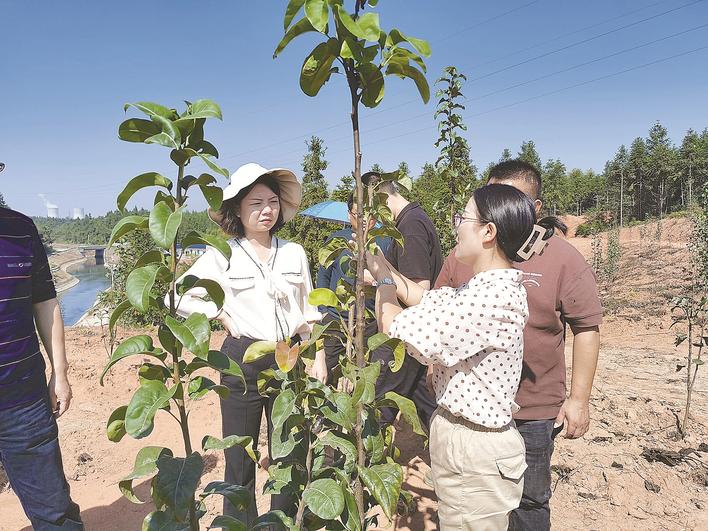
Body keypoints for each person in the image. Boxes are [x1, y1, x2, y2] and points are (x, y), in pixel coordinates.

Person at [366, 184, 549, 530]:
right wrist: (384, 267)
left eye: (462, 217)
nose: (456, 225)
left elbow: (394, 326)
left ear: (488, 232)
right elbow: (425, 298)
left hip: (475, 451)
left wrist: (382, 284)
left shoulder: (494, 299)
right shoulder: (481, 287)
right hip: (463, 439)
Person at [434, 160, 602, 531]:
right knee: (476, 503)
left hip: (534, 409)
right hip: (474, 413)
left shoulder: (563, 260)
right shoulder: (466, 254)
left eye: (513, 198)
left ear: (535, 209)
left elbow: (587, 328)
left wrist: (578, 399)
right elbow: (436, 310)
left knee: (529, 500)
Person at [171, 163, 323, 524]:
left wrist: (316, 356)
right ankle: (240, 524)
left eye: (272, 202)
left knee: (287, 451)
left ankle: (282, 522)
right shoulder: (221, 255)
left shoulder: (294, 253)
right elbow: (177, 295)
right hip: (241, 361)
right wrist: (220, 311)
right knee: (239, 454)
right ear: (237, 209)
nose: (266, 210)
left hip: (289, 356)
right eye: (256, 203)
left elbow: (309, 311)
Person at [0, 206, 83, 530]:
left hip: (25, 402)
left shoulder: (21, 229)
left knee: (55, 513)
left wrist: (59, 373)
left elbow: (45, 302)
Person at [363, 172, 440, 428]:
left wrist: (380, 280)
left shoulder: (411, 227)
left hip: (402, 338)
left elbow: (420, 290)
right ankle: (445, 454)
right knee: (426, 404)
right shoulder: (409, 221)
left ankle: (362, 461)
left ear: (382, 198)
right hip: (411, 340)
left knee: (376, 406)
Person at [316, 191, 390, 382]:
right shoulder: (336, 241)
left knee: (367, 379)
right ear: (349, 214)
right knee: (329, 377)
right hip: (336, 320)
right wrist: (323, 311)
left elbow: (393, 280)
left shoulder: (386, 242)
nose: (365, 219)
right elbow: (323, 277)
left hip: (370, 322)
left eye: (370, 214)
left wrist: (373, 281)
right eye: (359, 214)